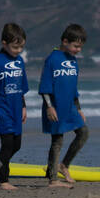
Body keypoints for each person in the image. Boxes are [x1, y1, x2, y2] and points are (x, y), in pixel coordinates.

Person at [39, 24, 88, 188]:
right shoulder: (52, 59)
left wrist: (79, 109)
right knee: (57, 141)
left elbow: (74, 88)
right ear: (65, 41)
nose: (78, 50)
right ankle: (53, 179)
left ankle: (64, 165)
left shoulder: (73, 60)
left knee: (83, 133)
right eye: (76, 46)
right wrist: (49, 106)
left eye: (80, 47)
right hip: (55, 107)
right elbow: (45, 85)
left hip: (70, 106)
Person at [0, 23, 29, 191]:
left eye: (21, 47)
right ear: (4, 43)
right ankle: (3, 180)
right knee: (7, 144)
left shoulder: (20, 62)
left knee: (17, 145)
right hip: (2, 110)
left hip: (16, 109)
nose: (18, 50)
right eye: (15, 47)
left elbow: (21, 87)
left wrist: (23, 107)